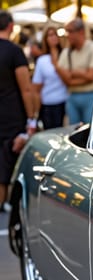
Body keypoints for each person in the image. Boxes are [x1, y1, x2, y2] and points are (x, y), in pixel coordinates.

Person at [0, 10, 39, 207]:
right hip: (11, 116)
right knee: (9, 164)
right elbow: (26, 88)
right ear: (10, 26)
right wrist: (32, 119)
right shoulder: (14, 52)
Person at [54, 18, 93, 126]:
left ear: (81, 32)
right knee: (74, 131)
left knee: (90, 130)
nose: (67, 35)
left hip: (90, 95)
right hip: (72, 96)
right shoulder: (66, 52)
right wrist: (84, 74)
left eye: (70, 31)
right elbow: (64, 77)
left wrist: (73, 74)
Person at [33, 27, 67, 130]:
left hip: (64, 102)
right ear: (45, 39)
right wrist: (36, 112)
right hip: (47, 104)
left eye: (54, 34)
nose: (53, 38)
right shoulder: (42, 60)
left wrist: (56, 65)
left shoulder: (65, 55)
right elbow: (36, 88)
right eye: (50, 35)